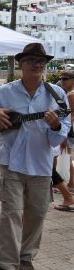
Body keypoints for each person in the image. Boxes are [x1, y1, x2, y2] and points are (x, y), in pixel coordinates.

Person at [0, 43, 70, 270]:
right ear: (21, 64)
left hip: (42, 165)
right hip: (12, 163)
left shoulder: (57, 94)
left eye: (41, 61)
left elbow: (60, 135)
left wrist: (57, 126)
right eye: (32, 60)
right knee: (11, 213)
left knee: (37, 214)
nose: (37, 64)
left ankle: (26, 257)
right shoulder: (6, 91)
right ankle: (6, 265)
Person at [52, 70, 74, 212]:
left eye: (65, 78)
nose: (62, 81)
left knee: (66, 159)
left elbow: (69, 117)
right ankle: (70, 186)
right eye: (61, 78)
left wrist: (63, 135)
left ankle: (69, 192)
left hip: (69, 130)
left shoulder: (70, 95)